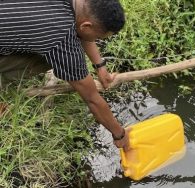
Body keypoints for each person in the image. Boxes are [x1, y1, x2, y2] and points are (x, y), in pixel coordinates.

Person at [0, 0, 130, 150]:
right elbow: (92, 99)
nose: (95, 41)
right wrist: (119, 135)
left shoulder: (78, 7)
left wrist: (99, 66)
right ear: (86, 26)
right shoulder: (60, 36)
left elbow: (82, 31)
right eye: (98, 38)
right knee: (51, 59)